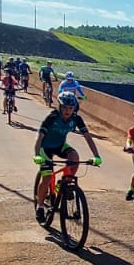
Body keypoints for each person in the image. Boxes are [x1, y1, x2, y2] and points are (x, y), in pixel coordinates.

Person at [33, 89, 102, 218]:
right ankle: (40, 206)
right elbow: (40, 136)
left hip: (60, 145)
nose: (67, 111)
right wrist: (37, 154)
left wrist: (96, 155)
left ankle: (63, 184)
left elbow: (87, 136)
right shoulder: (52, 116)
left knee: (75, 158)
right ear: (60, 106)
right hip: (45, 147)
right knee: (47, 177)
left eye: (70, 108)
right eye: (64, 107)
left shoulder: (76, 118)